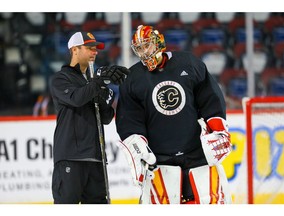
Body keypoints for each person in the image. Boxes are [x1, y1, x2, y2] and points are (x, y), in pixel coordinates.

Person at [116, 25, 232, 204]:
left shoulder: (188, 63)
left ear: (159, 42)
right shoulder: (132, 78)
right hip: (161, 160)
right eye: (139, 48)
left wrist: (218, 129)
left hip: (198, 154)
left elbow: (210, 100)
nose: (144, 52)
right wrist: (137, 147)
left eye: (147, 45)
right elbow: (129, 119)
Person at [49, 31, 129, 204]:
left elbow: (106, 117)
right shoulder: (61, 78)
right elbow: (76, 99)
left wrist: (106, 93)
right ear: (74, 50)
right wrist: (98, 82)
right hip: (71, 157)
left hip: (96, 158)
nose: (95, 52)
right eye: (89, 48)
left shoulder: (93, 81)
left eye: (96, 48)